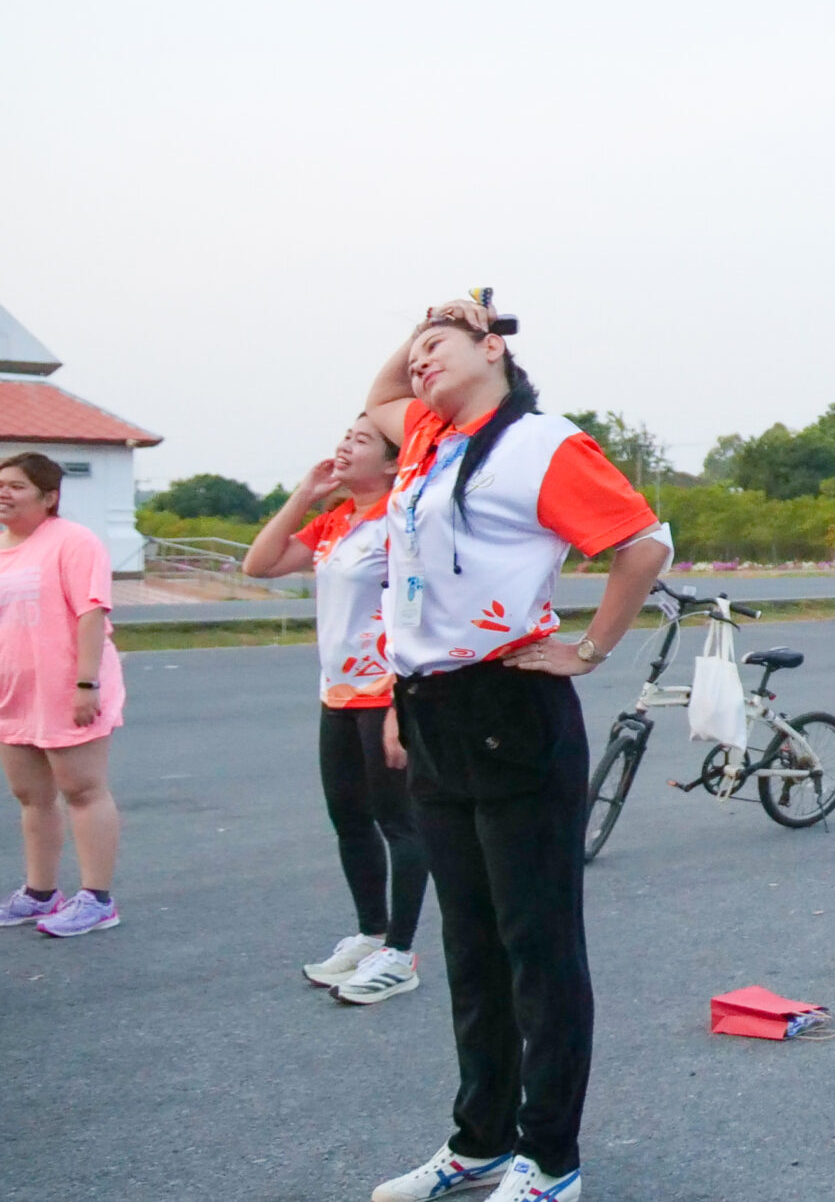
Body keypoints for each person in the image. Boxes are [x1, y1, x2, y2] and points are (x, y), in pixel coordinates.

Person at [358, 297, 671, 1202]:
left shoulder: (537, 444)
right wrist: (425, 323)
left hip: (509, 707)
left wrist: (590, 649)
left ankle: (550, 1159)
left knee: (537, 945)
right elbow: (377, 395)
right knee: (470, 944)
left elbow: (644, 544)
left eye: (439, 345)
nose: (419, 362)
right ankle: (480, 1140)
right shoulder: (428, 439)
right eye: (415, 351)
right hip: (431, 707)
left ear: (492, 349)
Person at [244, 415, 430, 1002]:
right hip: (337, 692)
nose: (345, 446)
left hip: (386, 692)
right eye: (345, 437)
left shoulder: (402, 521)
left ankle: (400, 953)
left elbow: (418, 611)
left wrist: (402, 704)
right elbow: (259, 565)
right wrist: (304, 494)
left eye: (361, 440)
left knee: (399, 823)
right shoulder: (336, 520)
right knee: (349, 819)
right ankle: (371, 934)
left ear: (394, 462)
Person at [0, 452, 126, 938]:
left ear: (49, 497)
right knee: (30, 795)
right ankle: (40, 893)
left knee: (82, 790)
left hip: (70, 687)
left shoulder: (73, 541)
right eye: (0, 485)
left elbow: (91, 613)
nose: (4, 493)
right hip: (15, 693)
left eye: (16, 486)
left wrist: (86, 684)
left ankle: (96, 899)